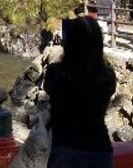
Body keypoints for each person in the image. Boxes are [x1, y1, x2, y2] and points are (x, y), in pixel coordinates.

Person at [43, 16, 117, 167]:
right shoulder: (107, 76)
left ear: (69, 42)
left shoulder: (56, 73)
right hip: (99, 148)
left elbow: (49, 89)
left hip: (63, 146)